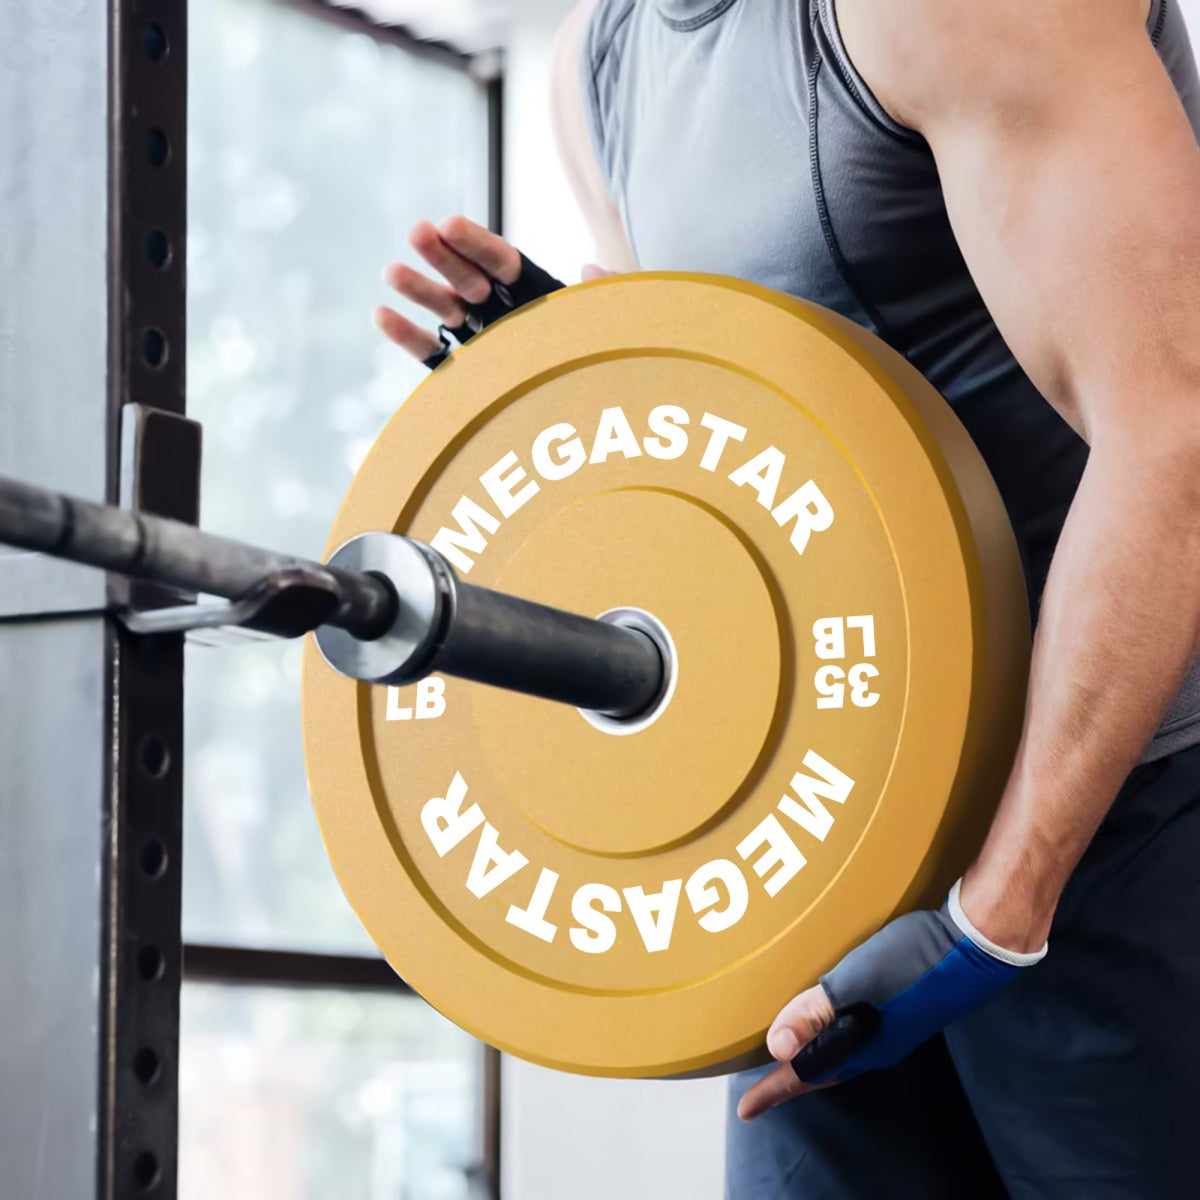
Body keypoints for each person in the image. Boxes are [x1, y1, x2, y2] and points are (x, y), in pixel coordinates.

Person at [375, 1, 1200, 1195]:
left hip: (1125, 806)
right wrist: (575, 359)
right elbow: (741, 445)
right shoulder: (598, 64)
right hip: (842, 845)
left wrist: (998, 911)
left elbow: (1172, 430)